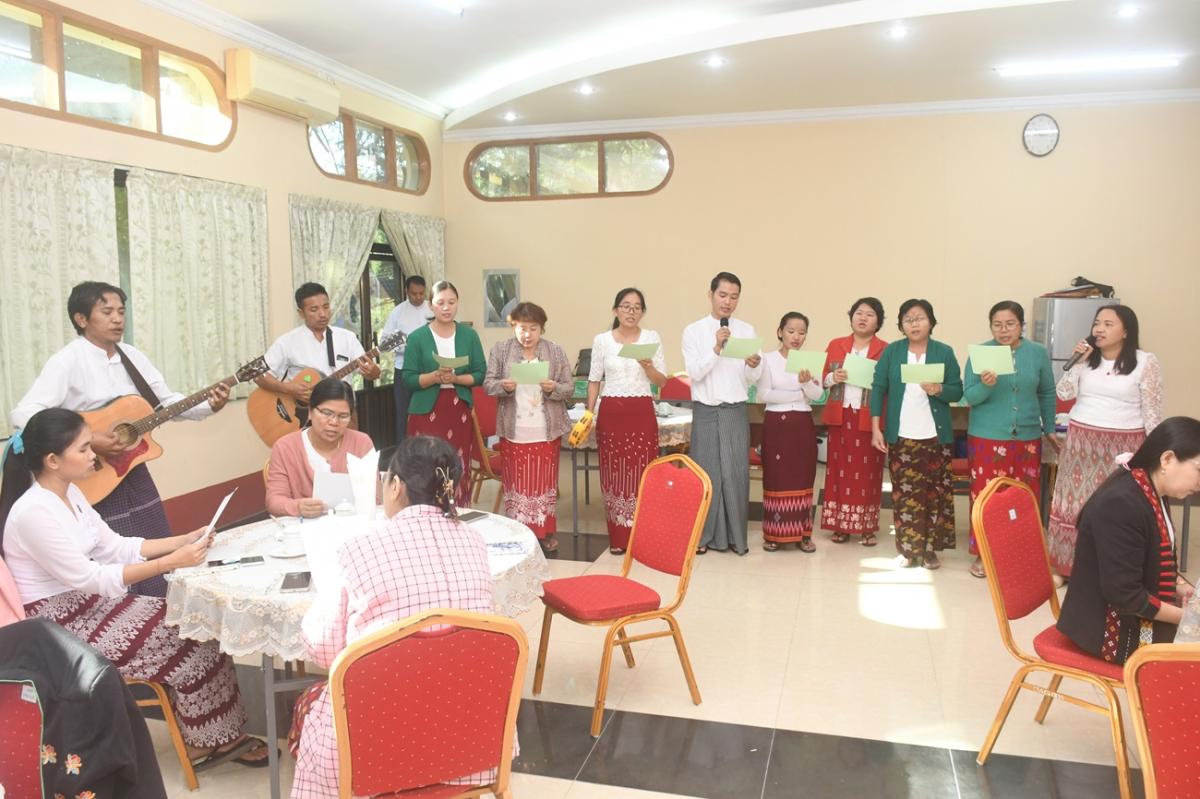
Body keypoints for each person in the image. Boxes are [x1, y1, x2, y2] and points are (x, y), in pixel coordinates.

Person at [0, 408, 268, 769]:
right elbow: (91, 577)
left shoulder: (70, 493)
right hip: (59, 626)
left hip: (90, 604)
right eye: (83, 449)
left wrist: (182, 540)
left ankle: (213, 734)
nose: (94, 454)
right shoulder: (32, 513)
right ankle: (207, 741)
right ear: (52, 460)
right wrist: (170, 562)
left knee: (199, 621)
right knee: (191, 638)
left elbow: (115, 546)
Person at [288, 436, 497, 799]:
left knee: (312, 701)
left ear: (396, 485)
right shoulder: (475, 542)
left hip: (381, 742)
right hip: (467, 735)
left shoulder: (356, 551)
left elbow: (325, 651)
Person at [10, 281, 230, 597]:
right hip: (94, 474)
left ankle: (160, 602)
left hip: (131, 465)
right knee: (108, 547)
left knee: (152, 529)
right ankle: (129, 605)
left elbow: (164, 403)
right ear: (81, 319)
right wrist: (89, 438)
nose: (117, 319)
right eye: (107, 312)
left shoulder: (132, 357)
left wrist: (209, 405)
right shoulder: (67, 360)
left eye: (121, 312)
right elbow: (25, 413)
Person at [1057, 416, 1200, 665]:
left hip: (1125, 612)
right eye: (1199, 469)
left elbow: (1147, 563)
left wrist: (1182, 589)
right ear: (1167, 459)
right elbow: (1126, 597)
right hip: (1108, 630)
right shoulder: (1122, 504)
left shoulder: (1150, 488)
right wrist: (1187, 618)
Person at [1047, 305, 1163, 578]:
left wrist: (1154, 453)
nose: (1099, 329)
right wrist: (1078, 362)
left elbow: (1152, 412)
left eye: (1108, 324)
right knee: (1073, 504)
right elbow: (1064, 392)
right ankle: (1065, 567)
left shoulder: (1145, 362)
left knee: (1116, 507)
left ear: (1126, 331)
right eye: (1097, 323)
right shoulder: (1087, 359)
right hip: (1081, 444)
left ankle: (1111, 571)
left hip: (1124, 446)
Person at [962, 301, 1057, 579]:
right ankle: (983, 553)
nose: (1004, 330)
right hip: (987, 437)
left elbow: (1047, 393)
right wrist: (986, 385)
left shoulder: (1037, 353)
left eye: (1010, 324)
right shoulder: (981, 354)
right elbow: (970, 397)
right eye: (997, 325)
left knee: (1022, 497)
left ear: (1021, 325)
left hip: (1027, 437)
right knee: (987, 497)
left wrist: (1049, 428)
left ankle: (1019, 552)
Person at [870, 299, 963, 570]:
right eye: (908, 319)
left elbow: (957, 390)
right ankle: (908, 550)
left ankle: (930, 551)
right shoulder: (892, 352)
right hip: (902, 436)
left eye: (920, 318)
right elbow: (878, 388)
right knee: (904, 496)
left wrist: (939, 389)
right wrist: (876, 428)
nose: (914, 323)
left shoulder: (944, 352)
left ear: (931, 322)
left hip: (936, 437)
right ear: (901, 325)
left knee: (935, 495)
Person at [682, 272, 763, 555]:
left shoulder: (747, 330)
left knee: (735, 474)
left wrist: (753, 364)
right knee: (706, 474)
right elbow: (695, 372)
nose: (728, 302)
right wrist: (716, 347)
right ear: (711, 295)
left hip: (735, 411)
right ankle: (703, 536)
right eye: (723, 295)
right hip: (705, 410)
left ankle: (734, 537)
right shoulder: (693, 331)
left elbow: (753, 378)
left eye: (734, 297)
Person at [483, 303, 574, 553]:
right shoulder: (501, 350)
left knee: (544, 485)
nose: (527, 334)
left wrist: (553, 388)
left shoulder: (555, 351)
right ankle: (519, 534)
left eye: (533, 328)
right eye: (522, 328)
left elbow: (569, 387)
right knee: (517, 487)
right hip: (514, 431)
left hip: (546, 431)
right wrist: (504, 386)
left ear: (541, 328)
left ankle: (544, 534)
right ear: (513, 326)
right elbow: (488, 384)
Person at [585, 288, 668, 555]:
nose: (631, 312)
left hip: (641, 411)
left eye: (636, 307)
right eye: (625, 306)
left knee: (642, 472)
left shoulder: (651, 337)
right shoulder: (602, 340)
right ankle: (619, 537)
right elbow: (594, 380)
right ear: (615, 310)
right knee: (615, 472)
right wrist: (589, 413)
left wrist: (648, 367)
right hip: (611, 413)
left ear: (642, 312)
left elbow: (662, 382)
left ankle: (643, 537)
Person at [401, 280, 486, 509]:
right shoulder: (417, 337)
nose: (446, 308)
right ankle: (424, 513)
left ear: (457, 303)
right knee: (425, 464)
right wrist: (434, 377)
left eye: (451, 302)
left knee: (457, 463)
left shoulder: (469, 335)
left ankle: (457, 511)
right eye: (440, 303)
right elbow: (408, 378)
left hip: (458, 410)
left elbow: (480, 374)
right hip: (426, 410)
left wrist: (456, 379)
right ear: (431, 305)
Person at [255, 282, 381, 422]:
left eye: (326, 307)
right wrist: (288, 389)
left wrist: (373, 371)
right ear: (301, 313)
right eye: (314, 309)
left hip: (344, 412)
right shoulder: (287, 342)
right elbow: (260, 376)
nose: (322, 314)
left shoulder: (347, 337)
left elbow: (372, 374)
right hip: (303, 417)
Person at [821, 297, 889, 546]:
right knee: (837, 472)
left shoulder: (886, 349)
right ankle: (840, 526)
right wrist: (833, 377)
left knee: (868, 473)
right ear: (851, 317)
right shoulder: (836, 344)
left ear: (878, 322)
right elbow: (822, 379)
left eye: (870, 314)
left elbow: (890, 385)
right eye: (859, 313)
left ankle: (867, 526)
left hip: (869, 418)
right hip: (841, 416)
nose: (863, 318)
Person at [756, 312, 823, 552]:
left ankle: (803, 534)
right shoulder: (767, 359)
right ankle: (774, 534)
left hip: (802, 425)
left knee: (803, 477)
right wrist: (798, 394)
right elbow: (764, 394)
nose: (796, 336)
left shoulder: (810, 361)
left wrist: (806, 384)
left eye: (802, 332)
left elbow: (817, 395)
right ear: (780, 332)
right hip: (777, 425)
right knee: (777, 478)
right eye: (791, 331)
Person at [265, 377, 375, 518]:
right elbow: (274, 501)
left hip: (352, 524)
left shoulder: (361, 443)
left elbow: (376, 497)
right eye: (326, 413)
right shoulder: (285, 447)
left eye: (343, 416)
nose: (334, 422)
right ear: (310, 412)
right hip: (304, 527)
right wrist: (298, 507)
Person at [381, 275, 432, 443]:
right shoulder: (398, 312)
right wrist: (408, 348)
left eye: (421, 293)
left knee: (428, 413)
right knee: (403, 414)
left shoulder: (433, 309)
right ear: (406, 292)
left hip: (429, 371)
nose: (418, 297)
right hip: (403, 369)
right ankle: (403, 453)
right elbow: (384, 343)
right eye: (414, 293)